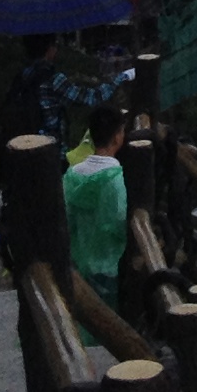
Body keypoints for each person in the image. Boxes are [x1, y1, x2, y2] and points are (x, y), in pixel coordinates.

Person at [62, 100, 132, 312]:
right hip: (112, 267)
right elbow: (120, 222)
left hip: (79, 266)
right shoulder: (115, 178)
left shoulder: (72, 175)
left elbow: (66, 218)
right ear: (118, 136)